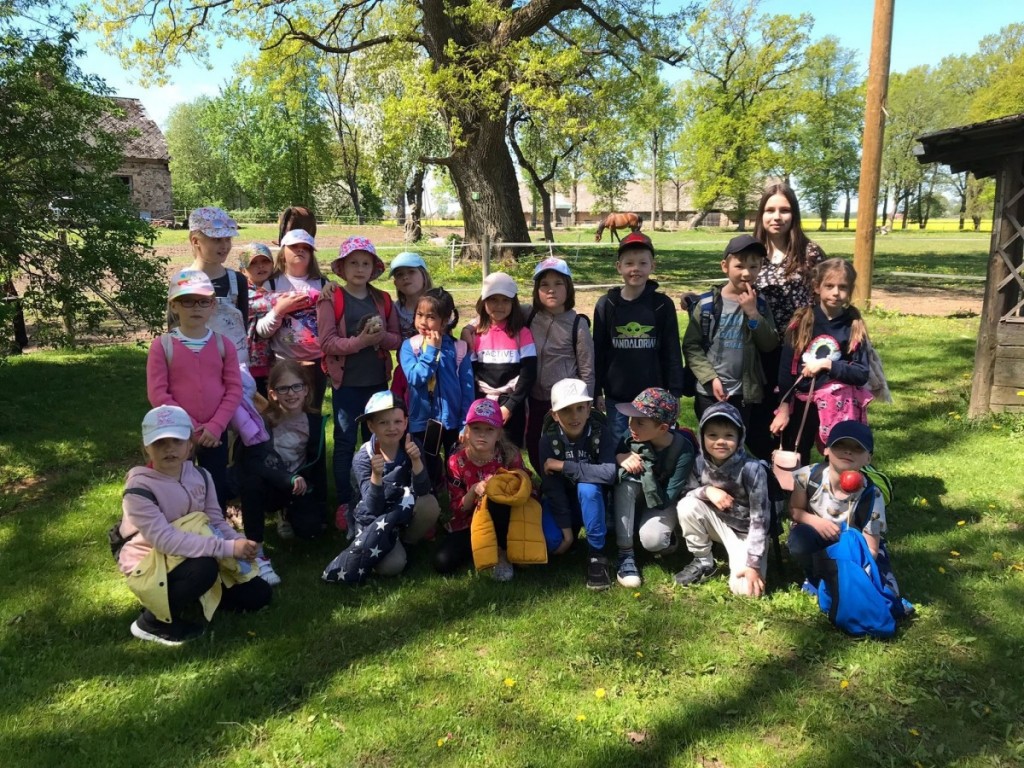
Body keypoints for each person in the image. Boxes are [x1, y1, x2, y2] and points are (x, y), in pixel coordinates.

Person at [114, 405, 271, 646]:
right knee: (204, 569)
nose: (169, 449)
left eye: (177, 441)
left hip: (196, 549)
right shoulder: (139, 489)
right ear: (146, 448)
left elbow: (215, 521)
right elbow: (165, 541)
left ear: (190, 444)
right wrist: (227, 549)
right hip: (151, 560)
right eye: (159, 442)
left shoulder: (201, 475)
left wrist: (238, 541)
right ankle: (151, 622)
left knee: (259, 594)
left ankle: (197, 595)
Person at [317, 236, 401, 533]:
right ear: (342, 267)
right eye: (353, 262)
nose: (360, 268)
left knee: (377, 442)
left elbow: (396, 339)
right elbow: (327, 343)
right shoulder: (331, 298)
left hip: (376, 383)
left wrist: (380, 338)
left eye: (366, 263)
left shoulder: (383, 299)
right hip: (347, 384)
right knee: (344, 442)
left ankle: (376, 495)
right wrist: (361, 341)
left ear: (374, 269)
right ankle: (344, 501)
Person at [322, 391, 441, 584]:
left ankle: (406, 543)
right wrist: (376, 476)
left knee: (430, 504)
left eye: (397, 421)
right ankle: (391, 546)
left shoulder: (412, 445)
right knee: (392, 566)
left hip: (403, 509)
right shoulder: (363, 458)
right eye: (383, 422)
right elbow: (372, 508)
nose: (392, 428)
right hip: (375, 518)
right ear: (371, 426)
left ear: (406, 422)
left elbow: (423, 490)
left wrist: (416, 461)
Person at [147, 269, 242, 511]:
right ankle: (178, 527)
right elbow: (158, 393)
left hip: (214, 434)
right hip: (176, 434)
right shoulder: (162, 346)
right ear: (174, 305)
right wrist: (189, 427)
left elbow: (233, 390)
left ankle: (215, 527)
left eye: (203, 301)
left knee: (215, 487)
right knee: (174, 485)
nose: (196, 308)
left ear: (213, 305)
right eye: (187, 301)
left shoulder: (223, 345)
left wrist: (216, 426)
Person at [749, 183, 826, 460]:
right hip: (760, 349)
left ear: (794, 214)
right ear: (761, 214)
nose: (777, 217)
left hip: (799, 351)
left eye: (784, 210)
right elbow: (734, 287)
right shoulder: (751, 252)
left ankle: (795, 479)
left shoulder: (810, 253)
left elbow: (826, 296)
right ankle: (767, 474)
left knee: (797, 427)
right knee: (758, 426)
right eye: (770, 210)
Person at [235, 360, 329, 585]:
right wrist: (286, 478)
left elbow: (318, 466)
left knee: (311, 530)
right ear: (273, 394)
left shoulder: (314, 422)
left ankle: (287, 514)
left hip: (297, 486)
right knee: (252, 483)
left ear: (306, 390)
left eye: (297, 386)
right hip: (269, 484)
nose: (291, 393)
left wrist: (321, 506)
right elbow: (255, 464)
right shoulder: (263, 422)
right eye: (283, 388)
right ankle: (255, 549)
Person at [770, 258, 871, 465]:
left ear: (850, 290)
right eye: (829, 286)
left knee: (839, 456)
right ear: (817, 287)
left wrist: (828, 365)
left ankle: (834, 485)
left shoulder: (853, 325)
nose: (836, 293)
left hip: (840, 406)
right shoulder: (802, 322)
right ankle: (796, 487)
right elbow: (786, 369)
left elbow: (861, 373)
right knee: (795, 453)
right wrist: (784, 409)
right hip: (802, 402)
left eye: (843, 287)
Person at [788, 421, 902, 598]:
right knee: (799, 539)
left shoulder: (872, 495)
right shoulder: (807, 476)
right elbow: (795, 510)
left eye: (857, 448)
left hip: (853, 546)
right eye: (840, 445)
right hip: (817, 535)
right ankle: (815, 575)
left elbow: (871, 548)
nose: (848, 451)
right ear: (826, 450)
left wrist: (848, 564)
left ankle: (838, 577)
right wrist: (816, 522)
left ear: (868, 458)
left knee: (884, 592)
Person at [682, 234, 778, 435]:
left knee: (737, 439)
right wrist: (710, 378)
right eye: (739, 266)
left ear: (761, 267)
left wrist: (753, 313)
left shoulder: (760, 304)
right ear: (725, 266)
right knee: (709, 440)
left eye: (753, 267)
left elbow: (769, 343)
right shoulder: (707, 304)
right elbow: (691, 346)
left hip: (744, 392)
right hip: (708, 390)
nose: (746, 273)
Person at [593, 232, 684, 445]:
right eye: (629, 263)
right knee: (619, 446)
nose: (636, 269)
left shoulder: (662, 305)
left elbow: (672, 350)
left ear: (652, 266)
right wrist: (597, 391)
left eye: (643, 263)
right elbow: (598, 352)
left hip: (653, 397)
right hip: (617, 395)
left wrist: (675, 391)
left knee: (652, 446)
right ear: (619, 267)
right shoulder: (607, 305)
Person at [674, 402, 771, 597]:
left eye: (728, 436)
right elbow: (685, 492)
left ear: (740, 437)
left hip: (746, 532)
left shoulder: (752, 469)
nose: (720, 441)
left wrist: (753, 563)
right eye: (712, 435)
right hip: (717, 524)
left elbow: (761, 519)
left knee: (746, 591)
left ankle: (745, 560)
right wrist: (707, 491)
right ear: (702, 437)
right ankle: (703, 560)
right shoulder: (698, 462)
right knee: (686, 505)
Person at [538, 378, 617, 590]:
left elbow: (609, 473)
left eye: (580, 408)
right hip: (562, 502)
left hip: (593, 502)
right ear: (554, 414)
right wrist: (566, 533)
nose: (575, 416)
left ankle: (597, 555)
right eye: (566, 410)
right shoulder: (548, 440)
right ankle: (570, 534)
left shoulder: (601, 433)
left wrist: (564, 466)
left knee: (588, 487)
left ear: (589, 409)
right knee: (552, 543)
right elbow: (552, 488)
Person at [612, 387, 694, 588]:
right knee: (627, 481)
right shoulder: (631, 436)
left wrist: (647, 473)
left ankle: (668, 538)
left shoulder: (683, 450)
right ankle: (625, 554)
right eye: (631, 419)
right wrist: (620, 457)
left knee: (653, 540)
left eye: (640, 422)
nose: (632, 425)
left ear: (663, 428)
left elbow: (667, 498)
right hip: (636, 494)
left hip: (662, 500)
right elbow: (611, 458)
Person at [438, 398, 528, 579]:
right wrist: (473, 491)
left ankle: (501, 553)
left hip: (505, 520)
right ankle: (480, 549)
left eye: (489, 429)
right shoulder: (456, 461)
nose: (482, 435)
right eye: (476, 428)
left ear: (499, 433)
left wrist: (501, 485)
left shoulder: (509, 456)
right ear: (467, 431)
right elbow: (457, 508)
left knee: (495, 497)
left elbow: (525, 489)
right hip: (469, 522)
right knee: (443, 562)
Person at [525, 257, 595, 475]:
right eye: (544, 284)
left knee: (562, 448)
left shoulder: (577, 324)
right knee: (534, 444)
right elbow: (496, 311)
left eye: (558, 284)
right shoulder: (529, 315)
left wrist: (585, 407)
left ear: (569, 288)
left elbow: (587, 369)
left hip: (565, 402)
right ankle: (546, 484)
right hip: (534, 398)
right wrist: (470, 327)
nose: (551, 290)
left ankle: (563, 485)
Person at [399, 287, 474, 490]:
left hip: (452, 421)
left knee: (456, 466)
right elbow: (416, 378)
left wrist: (465, 423)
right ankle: (428, 500)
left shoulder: (459, 348)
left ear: (446, 319)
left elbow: (467, 390)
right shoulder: (410, 347)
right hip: (423, 422)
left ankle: (457, 502)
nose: (423, 322)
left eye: (431, 317)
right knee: (426, 466)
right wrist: (432, 350)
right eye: (419, 315)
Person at [256, 229, 329, 410]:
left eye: (306, 247)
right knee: (284, 414)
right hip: (284, 361)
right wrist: (280, 310)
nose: (300, 250)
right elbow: (262, 331)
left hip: (318, 362)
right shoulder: (271, 284)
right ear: (283, 252)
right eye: (294, 246)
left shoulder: (323, 284)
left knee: (313, 411)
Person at [464, 272, 537, 448]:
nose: (499, 306)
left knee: (510, 451)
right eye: (493, 300)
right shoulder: (476, 334)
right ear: (483, 301)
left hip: (512, 406)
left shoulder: (522, 333)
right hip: (481, 404)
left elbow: (529, 373)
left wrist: (510, 406)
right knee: (483, 450)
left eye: (505, 300)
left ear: (513, 303)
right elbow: (470, 374)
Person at [185, 207, 249, 367]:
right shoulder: (183, 282)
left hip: (235, 368)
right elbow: (174, 330)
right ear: (195, 241)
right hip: (196, 369)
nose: (224, 245)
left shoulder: (238, 281)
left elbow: (243, 326)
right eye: (217, 240)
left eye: (228, 239)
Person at [389, 251, 435, 406]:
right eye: (399, 274)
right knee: (400, 410)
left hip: (435, 369)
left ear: (424, 275)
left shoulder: (439, 303)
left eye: (411, 272)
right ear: (395, 283)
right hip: (405, 371)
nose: (405, 277)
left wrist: (469, 328)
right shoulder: (395, 309)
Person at [239, 242, 276, 395]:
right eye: (253, 263)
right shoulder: (243, 292)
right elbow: (267, 303)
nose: (260, 266)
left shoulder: (278, 285)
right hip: (252, 361)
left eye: (265, 261)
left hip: (276, 359)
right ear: (243, 270)